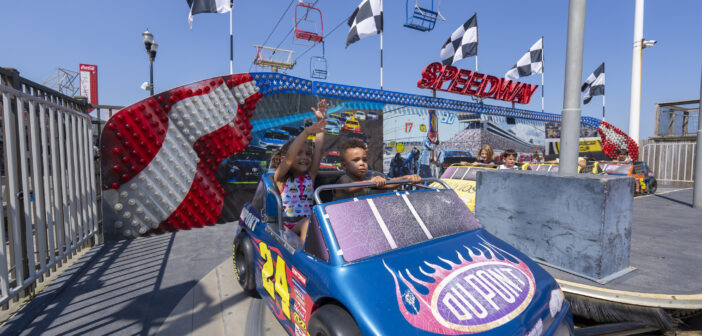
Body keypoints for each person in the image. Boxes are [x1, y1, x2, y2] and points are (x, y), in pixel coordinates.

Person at [271, 99, 329, 242]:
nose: (305, 157)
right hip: (287, 227)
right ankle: (303, 258)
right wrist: (307, 132)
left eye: (308, 154)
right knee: (307, 224)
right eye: (300, 153)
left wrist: (321, 121)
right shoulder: (281, 178)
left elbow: (319, 149)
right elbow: (290, 158)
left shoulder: (310, 176)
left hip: (307, 225)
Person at [335, 138, 421, 200]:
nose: (362, 163)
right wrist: (371, 182)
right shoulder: (344, 180)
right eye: (356, 160)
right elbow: (348, 188)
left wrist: (406, 178)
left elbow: (390, 184)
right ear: (344, 165)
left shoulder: (369, 178)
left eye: (364, 160)